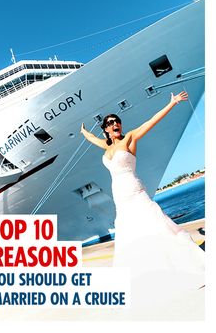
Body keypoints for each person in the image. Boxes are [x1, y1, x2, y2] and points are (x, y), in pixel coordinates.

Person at [81, 91, 204, 296]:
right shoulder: (106, 145)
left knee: (155, 224)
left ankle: (184, 265)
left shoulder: (129, 137)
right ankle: (148, 270)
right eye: (110, 123)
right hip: (120, 197)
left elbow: (151, 121)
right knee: (131, 231)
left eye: (117, 121)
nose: (115, 124)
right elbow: (92, 138)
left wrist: (172, 103)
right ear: (106, 130)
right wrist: (83, 132)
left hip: (135, 191)